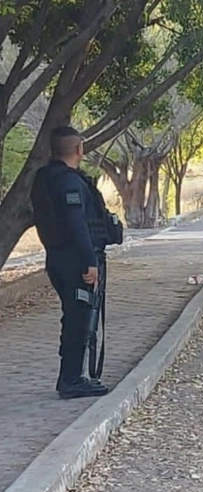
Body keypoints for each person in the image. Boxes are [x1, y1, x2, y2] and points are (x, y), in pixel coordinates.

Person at [30, 126, 121, 399]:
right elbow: (76, 225)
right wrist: (89, 262)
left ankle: (73, 376)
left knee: (77, 316)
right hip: (74, 261)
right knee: (78, 318)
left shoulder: (48, 178)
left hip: (59, 257)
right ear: (79, 150)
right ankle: (70, 380)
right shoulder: (68, 183)